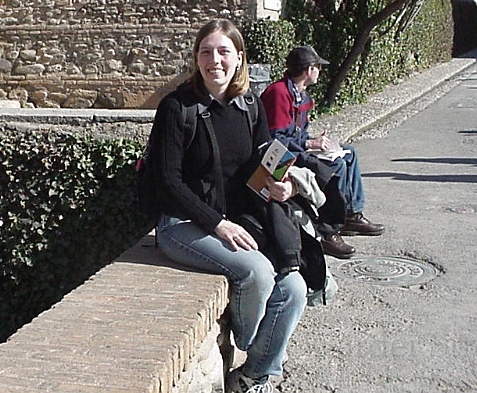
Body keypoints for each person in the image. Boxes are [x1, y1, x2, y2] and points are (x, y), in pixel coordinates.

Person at [151, 19, 307, 393]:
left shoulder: (250, 104)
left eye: (223, 51)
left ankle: (253, 376)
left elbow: (264, 163)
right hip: (182, 224)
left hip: (238, 218)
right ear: (196, 59)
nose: (214, 60)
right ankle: (252, 347)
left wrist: (281, 186)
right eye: (206, 52)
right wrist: (217, 223)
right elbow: (167, 181)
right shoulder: (177, 107)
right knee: (257, 273)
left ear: (239, 58)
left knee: (295, 288)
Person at [260, 45, 384, 259]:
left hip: (297, 147)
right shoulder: (279, 93)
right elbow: (276, 138)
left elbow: (298, 132)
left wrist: (315, 141)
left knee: (349, 154)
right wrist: (309, 144)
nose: (320, 71)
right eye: (318, 66)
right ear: (309, 69)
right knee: (335, 166)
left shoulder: (300, 94)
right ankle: (328, 230)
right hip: (281, 156)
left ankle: (351, 214)